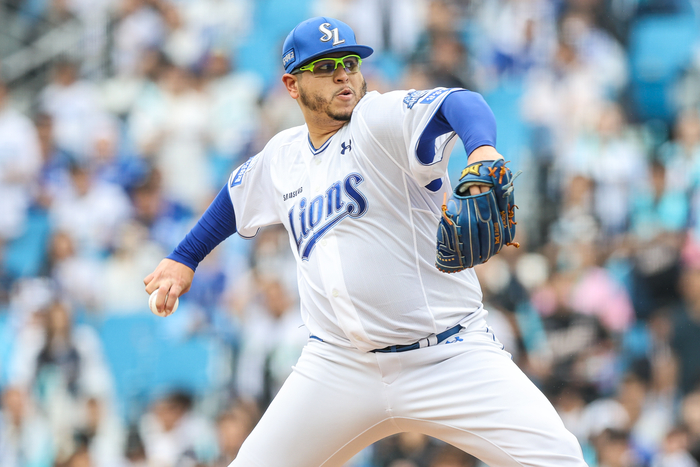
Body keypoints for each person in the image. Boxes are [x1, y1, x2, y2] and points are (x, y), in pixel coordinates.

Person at [144, 16, 588, 467]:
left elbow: (461, 102)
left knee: (559, 459)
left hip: (447, 355)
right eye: (325, 67)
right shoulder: (282, 156)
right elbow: (235, 197)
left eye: (350, 63)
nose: (343, 75)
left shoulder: (377, 119)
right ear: (291, 84)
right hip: (339, 366)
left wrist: (482, 149)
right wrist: (185, 257)